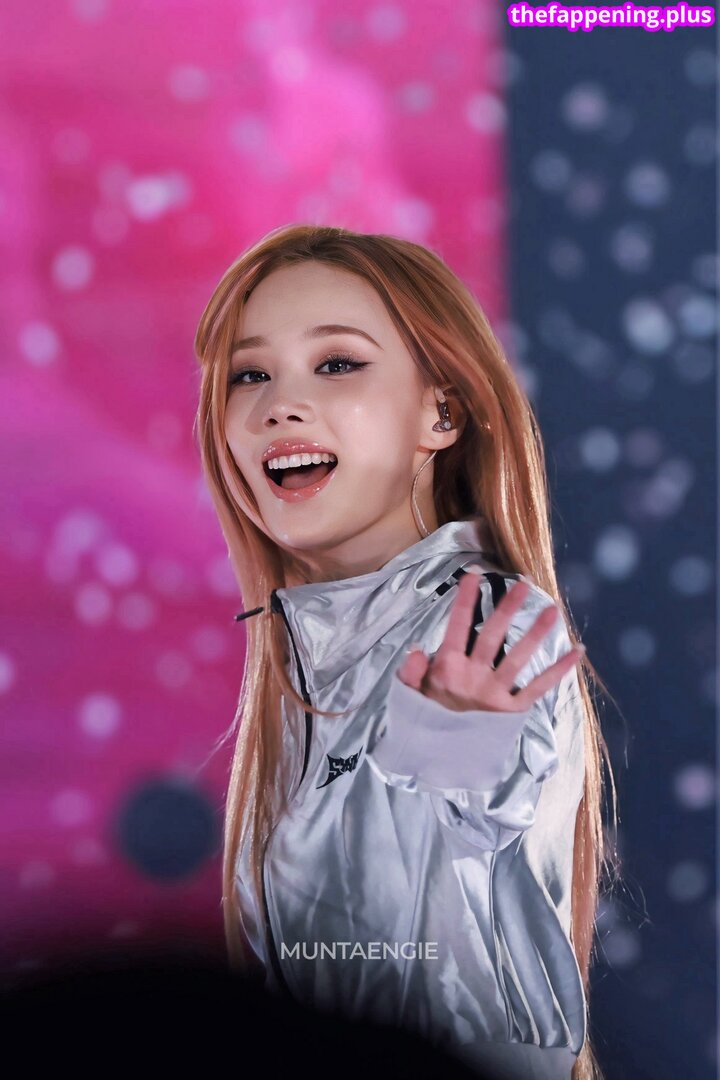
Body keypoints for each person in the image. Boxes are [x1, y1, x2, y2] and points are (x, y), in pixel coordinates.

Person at [192, 225, 620, 1080]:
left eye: (337, 363)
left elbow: (439, 878)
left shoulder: (484, 624)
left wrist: (446, 763)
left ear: (442, 413)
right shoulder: (305, 660)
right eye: (250, 374)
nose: (279, 405)